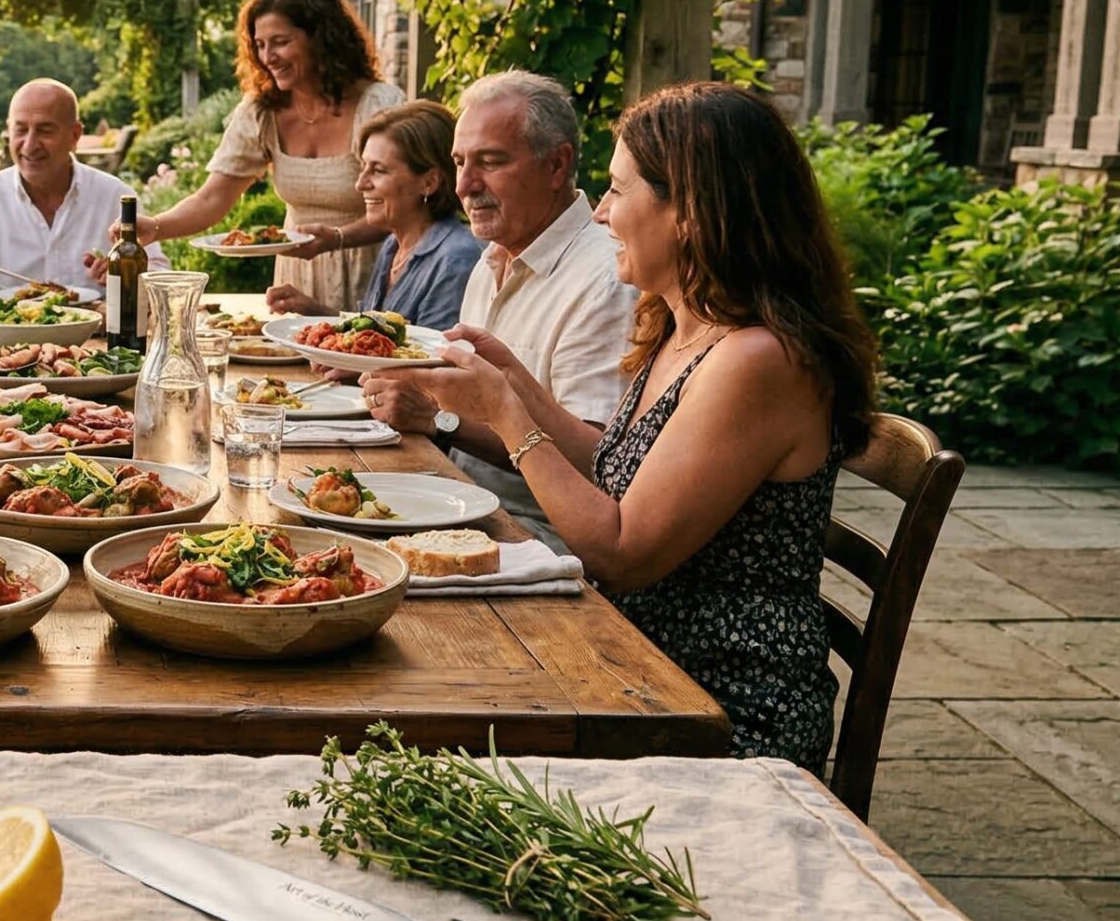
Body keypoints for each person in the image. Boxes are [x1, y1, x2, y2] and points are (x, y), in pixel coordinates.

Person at [417, 83, 881, 766]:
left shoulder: (760, 361)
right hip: (633, 660)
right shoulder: (683, 327)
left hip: (713, 708)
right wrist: (514, 378)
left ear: (689, 212)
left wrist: (508, 416)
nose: (601, 213)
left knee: (432, 706)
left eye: (617, 190)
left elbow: (623, 552)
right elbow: (613, 464)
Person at [352, 70, 637, 544]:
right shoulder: (492, 255)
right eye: (460, 162)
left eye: (490, 162)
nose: (464, 185)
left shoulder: (606, 278)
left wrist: (439, 422)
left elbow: (594, 463)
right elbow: (467, 405)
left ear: (557, 166)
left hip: (534, 536)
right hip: (457, 501)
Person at [119, 0, 405, 305]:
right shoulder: (262, 111)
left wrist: (337, 238)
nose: (268, 56)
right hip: (296, 278)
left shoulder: (379, 105)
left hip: (374, 273)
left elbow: (404, 207)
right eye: (260, 45)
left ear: (321, 39)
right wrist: (156, 227)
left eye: (280, 42)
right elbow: (213, 197)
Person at [263, 100, 481, 331]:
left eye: (378, 170)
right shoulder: (393, 246)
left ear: (429, 182)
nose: (360, 184)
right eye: (363, 166)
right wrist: (311, 310)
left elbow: (432, 359)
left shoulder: (455, 259)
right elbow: (375, 335)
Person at [0, 78, 127, 296]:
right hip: (3, 329)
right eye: (20, 130)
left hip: (98, 328)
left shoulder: (115, 197)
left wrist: (126, 275)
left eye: (45, 131)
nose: (29, 145)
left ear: (74, 135)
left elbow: (155, 272)